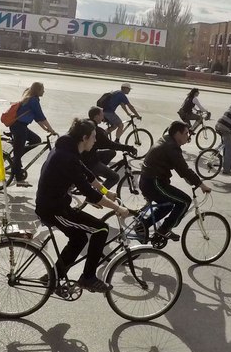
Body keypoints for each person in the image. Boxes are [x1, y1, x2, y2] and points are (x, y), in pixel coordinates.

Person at [35, 120, 132, 293]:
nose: (95, 140)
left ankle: (53, 277)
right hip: (53, 209)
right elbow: (89, 192)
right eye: (93, 137)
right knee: (101, 229)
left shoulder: (68, 148)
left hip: (57, 204)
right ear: (84, 138)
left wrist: (106, 192)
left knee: (79, 239)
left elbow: (88, 175)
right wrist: (117, 208)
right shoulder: (67, 157)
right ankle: (88, 278)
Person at [138, 122, 208, 240]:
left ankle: (141, 227)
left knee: (167, 205)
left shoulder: (167, 140)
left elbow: (179, 167)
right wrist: (201, 184)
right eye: (186, 133)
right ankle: (164, 231)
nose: (188, 136)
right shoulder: (171, 147)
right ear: (177, 134)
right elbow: (184, 169)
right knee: (184, 201)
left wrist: (188, 178)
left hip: (148, 181)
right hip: (154, 183)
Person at [8, 82, 57, 187]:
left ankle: (16, 158)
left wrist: (45, 129)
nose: (44, 91)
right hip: (19, 127)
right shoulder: (33, 100)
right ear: (37, 90)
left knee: (36, 140)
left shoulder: (32, 99)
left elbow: (37, 117)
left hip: (21, 126)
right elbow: (41, 116)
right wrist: (51, 130)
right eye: (42, 89)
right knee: (18, 153)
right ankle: (19, 179)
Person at [84, 106, 136, 190]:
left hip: (85, 155)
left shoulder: (85, 123)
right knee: (115, 177)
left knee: (111, 152)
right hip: (89, 161)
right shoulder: (96, 131)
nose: (103, 117)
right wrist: (129, 148)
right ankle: (99, 193)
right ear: (96, 116)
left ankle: (95, 173)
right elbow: (110, 145)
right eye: (102, 115)